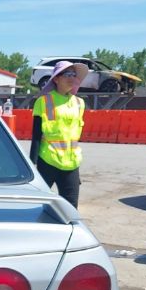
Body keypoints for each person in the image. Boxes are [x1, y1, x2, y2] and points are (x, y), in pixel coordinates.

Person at [29, 60, 88, 208]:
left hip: (71, 163)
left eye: (74, 75)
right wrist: (32, 163)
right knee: (37, 205)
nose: (72, 78)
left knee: (70, 208)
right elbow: (36, 135)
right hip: (47, 160)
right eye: (67, 74)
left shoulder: (80, 103)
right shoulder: (43, 101)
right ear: (56, 78)